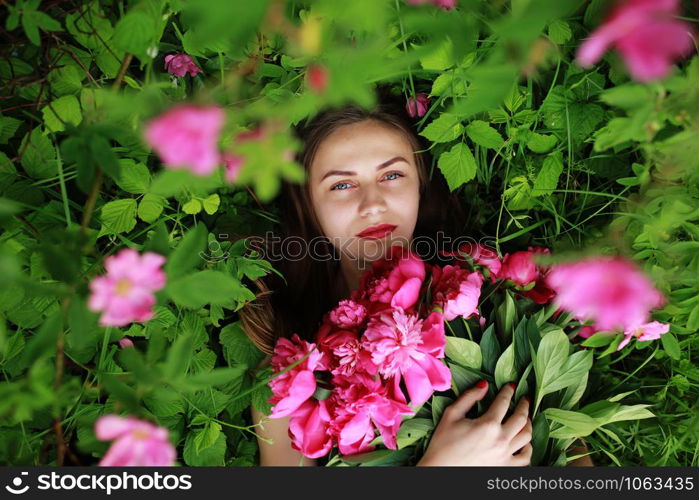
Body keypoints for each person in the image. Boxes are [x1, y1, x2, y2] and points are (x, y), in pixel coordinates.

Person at [240, 87, 592, 466]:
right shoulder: (291, 380)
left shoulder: (498, 308)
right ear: (307, 205)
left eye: (392, 174)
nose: (372, 204)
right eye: (341, 184)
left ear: (421, 186)